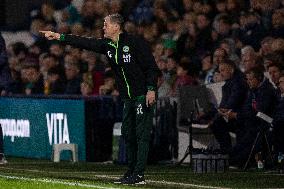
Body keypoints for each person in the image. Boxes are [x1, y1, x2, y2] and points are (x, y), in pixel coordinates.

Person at [40, 13, 160, 184]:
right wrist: (59, 36)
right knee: (127, 133)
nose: (103, 27)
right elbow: (84, 42)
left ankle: (139, 174)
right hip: (128, 98)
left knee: (141, 134)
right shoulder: (108, 45)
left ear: (116, 26)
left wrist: (151, 89)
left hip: (142, 95)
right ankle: (132, 171)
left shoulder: (134, 42)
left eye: (106, 24)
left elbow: (151, 67)